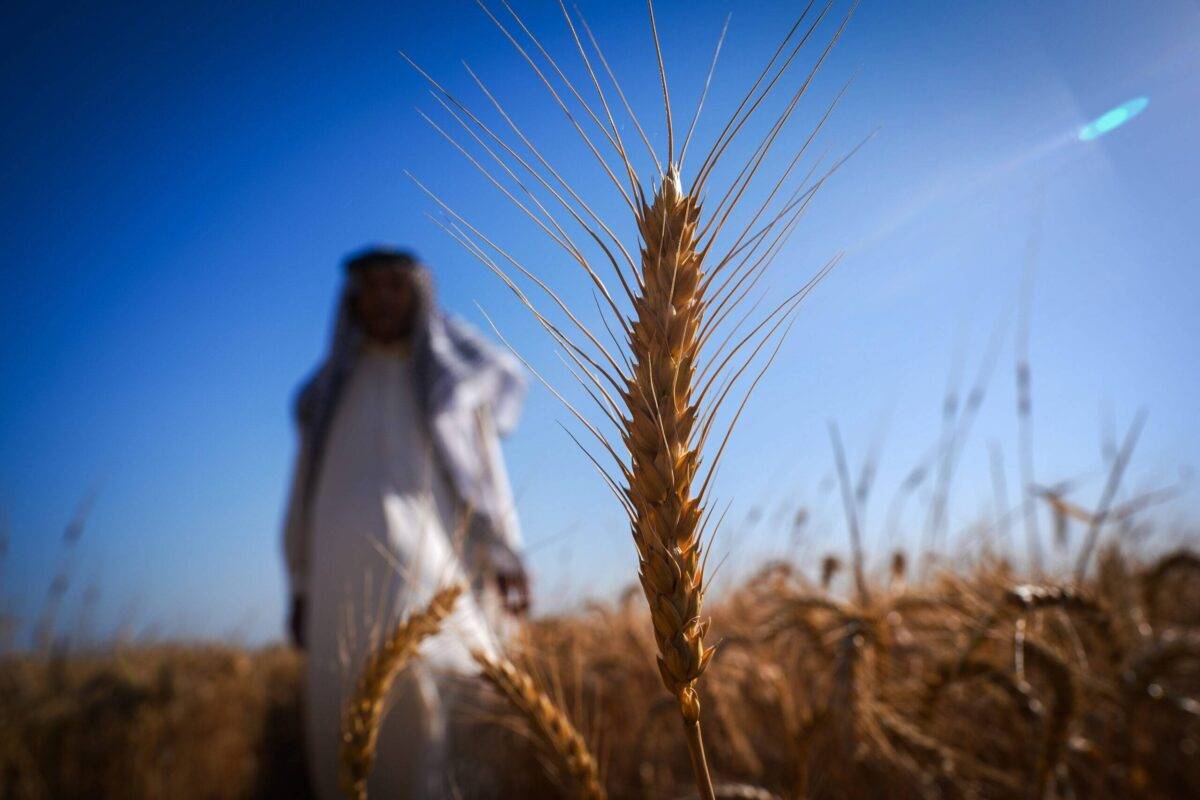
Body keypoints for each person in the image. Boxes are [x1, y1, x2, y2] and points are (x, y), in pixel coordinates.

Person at [281, 247, 529, 799]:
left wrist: (506, 553)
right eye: (372, 287)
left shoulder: (448, 390)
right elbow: (303, 491)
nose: (383, 298)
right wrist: (300, 582)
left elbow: (484, 476)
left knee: (440, 698)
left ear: (415, 294)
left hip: (430, 569)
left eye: (396, 285)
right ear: (355, 300)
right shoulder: (325, 398)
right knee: (344, 712)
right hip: (337, 579)